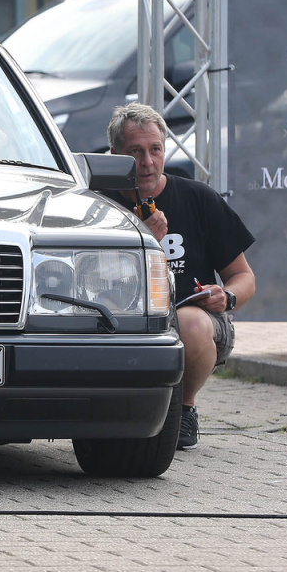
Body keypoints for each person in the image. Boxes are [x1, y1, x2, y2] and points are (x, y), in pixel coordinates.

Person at [104, 103, 256, 451]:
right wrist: (144, 238)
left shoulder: (198, 198)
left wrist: (227, 296)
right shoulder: (98, 204)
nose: (147, 162)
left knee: (189, 322)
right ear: (114, 156)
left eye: (155, 149)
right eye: (135, 152)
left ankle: (183, 410)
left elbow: (244, 276)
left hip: (195, 324)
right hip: (119, 320)